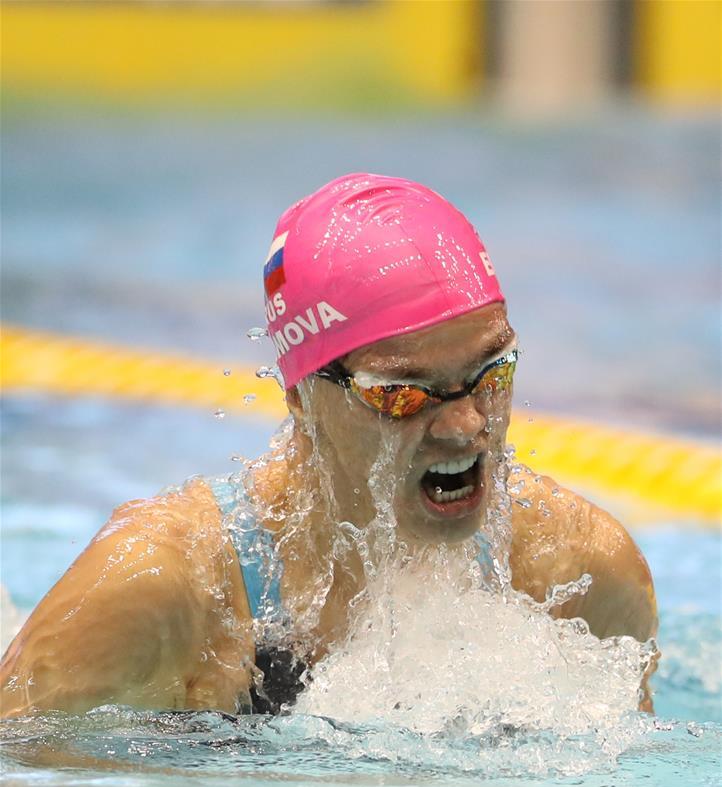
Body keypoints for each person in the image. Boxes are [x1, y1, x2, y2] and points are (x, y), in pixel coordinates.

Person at [0, 173, 657, 719]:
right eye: (402, 393)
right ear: (302, 397)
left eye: (492, 373)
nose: (465, 425)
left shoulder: (578, 576)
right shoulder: (165, 591)